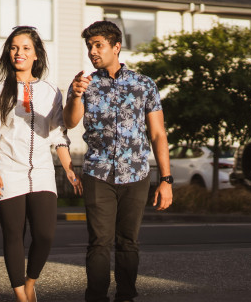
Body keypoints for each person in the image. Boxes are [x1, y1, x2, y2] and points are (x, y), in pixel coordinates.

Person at [63, 20, 173, 302]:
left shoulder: (144, 85)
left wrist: (166, 180)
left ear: (116, 46)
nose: (93, 51)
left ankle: (126, 297)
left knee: (128, 243)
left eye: (98, 45)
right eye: (90, 46)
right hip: (98, 173)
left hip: (136, 175)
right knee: (99, 242)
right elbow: (70, 121)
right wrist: (76, 95)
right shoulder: (84, 85)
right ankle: (96, 297)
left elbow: (158, 134)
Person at [0, 26, 83, 302]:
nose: (19, 53)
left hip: (42, 171)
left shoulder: (51, 91)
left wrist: (70, 169)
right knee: (14, 235)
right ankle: (22, 298)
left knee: (45, 235)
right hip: (6, 169)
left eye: (26, 48)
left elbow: (58, 134)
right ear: (8, 52)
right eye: (14, 47)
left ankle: (30, 282)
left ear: (36, 54)